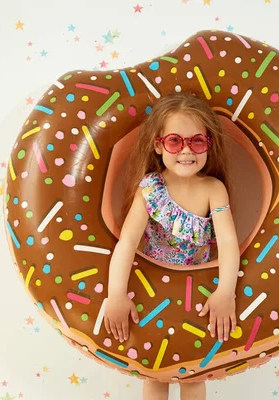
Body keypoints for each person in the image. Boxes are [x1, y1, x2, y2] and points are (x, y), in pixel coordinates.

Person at [103, 92, 240, 400]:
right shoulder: (150, 190)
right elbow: (127, 242)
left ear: (208, 144)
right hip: (154, 294)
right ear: (158, 144)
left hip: (198, 295)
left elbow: (229, 242)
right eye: (175, 141)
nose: (186, 151)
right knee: (155, 374)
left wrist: (225, 292)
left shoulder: (213, 189)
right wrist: (116, 295)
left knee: (193, 377)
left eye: (197, 141)